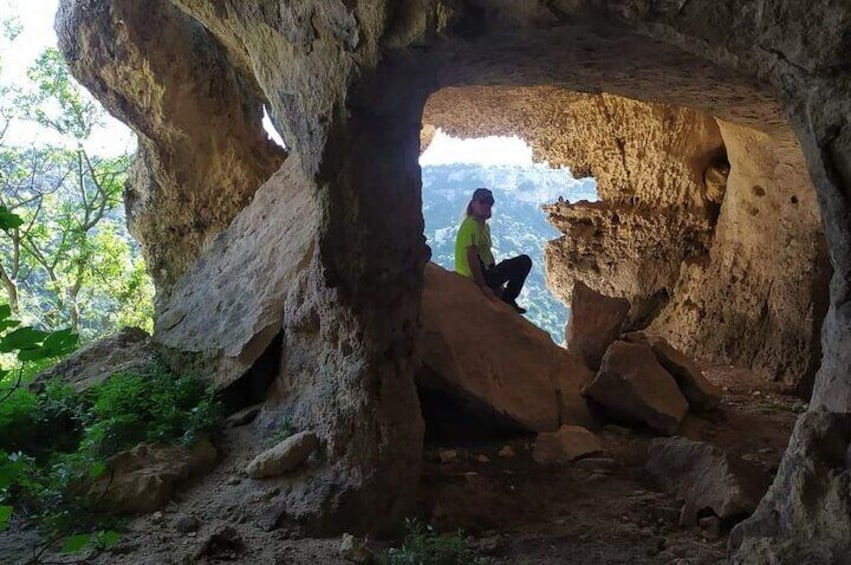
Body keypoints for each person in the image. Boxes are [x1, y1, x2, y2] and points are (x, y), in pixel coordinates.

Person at [454, 187, 532, 314]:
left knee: (514, 263)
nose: (486, 205)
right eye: (482, 202)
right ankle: (507, 300)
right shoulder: (471, 225)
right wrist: (482, 286)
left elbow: (486, 255)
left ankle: (506, 299)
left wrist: (497, 285)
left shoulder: (483, 226)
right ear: (473, 204)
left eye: (489, 202)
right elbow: (471, 256)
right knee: (524, 262)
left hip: (486, 273)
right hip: (475, 277)